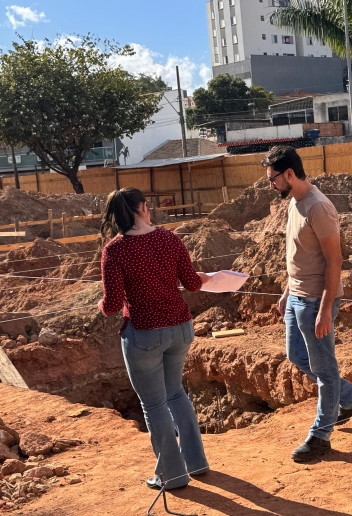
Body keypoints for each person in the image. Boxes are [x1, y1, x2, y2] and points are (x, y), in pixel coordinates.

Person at [262, 145, 352, 462]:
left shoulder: (318, 207)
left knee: (325, 370)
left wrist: (324, 309)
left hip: (315, 302)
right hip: (296, 297)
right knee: (297, 356)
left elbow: (334, 261)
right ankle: (350, 401)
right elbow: (300, 256)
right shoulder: (294, 203)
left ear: (289, 174)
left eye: (272, 179)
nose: (271, 185)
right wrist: (287, 292)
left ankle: (321, 436)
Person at [98, 187, 209, 490]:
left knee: (154, 404)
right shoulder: (169, 238)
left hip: (144, 333)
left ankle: (172, 475)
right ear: (144, 207)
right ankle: (196, 463)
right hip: (181, 327)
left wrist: (101, 305)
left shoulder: (115, 250)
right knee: (176, 394)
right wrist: (207, 277)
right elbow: (192, 284)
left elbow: (111, 305)